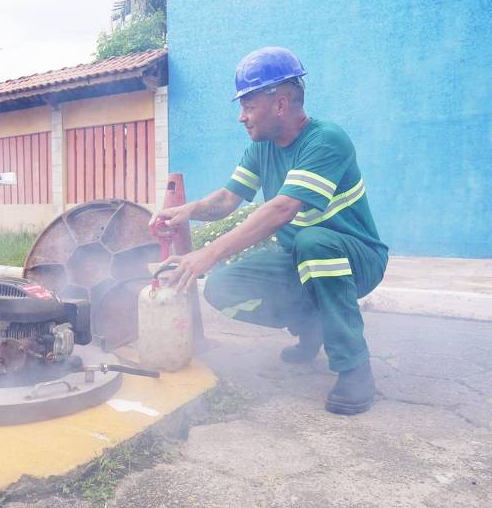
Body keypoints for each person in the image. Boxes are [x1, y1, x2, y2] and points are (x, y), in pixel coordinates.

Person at [151, 46, 388, 415]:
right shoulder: (262, 148)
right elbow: (230, 198)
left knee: (314, 242)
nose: (241, 117)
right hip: (298, 258)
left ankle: (355, 368)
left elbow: (281, 209)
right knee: (223, 286)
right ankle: (310, 325)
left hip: (356, 257)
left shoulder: (326, 140)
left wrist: (208, 253)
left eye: (248, 106)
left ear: (280, 104)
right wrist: (188, 210)